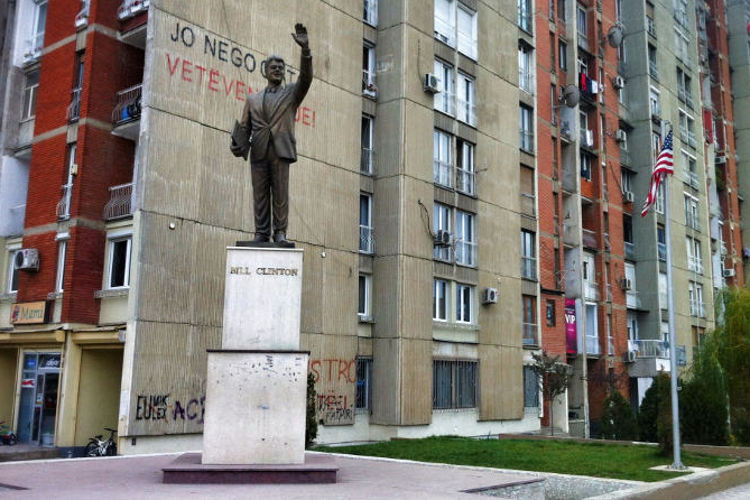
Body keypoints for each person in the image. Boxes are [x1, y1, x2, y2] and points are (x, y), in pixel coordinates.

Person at [231, 23, 312, 247]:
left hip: (280, 150)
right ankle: (261, 233)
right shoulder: (252, 99)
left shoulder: (291, 94)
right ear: (265, 70)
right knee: (259, 195)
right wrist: (237, 145)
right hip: (258, 151)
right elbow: (245, 128)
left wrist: (305, 51)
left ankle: (280, 234)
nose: (277, 69)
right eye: (273, 66)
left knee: (280, 194)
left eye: (281, 66)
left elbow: (306, 79)